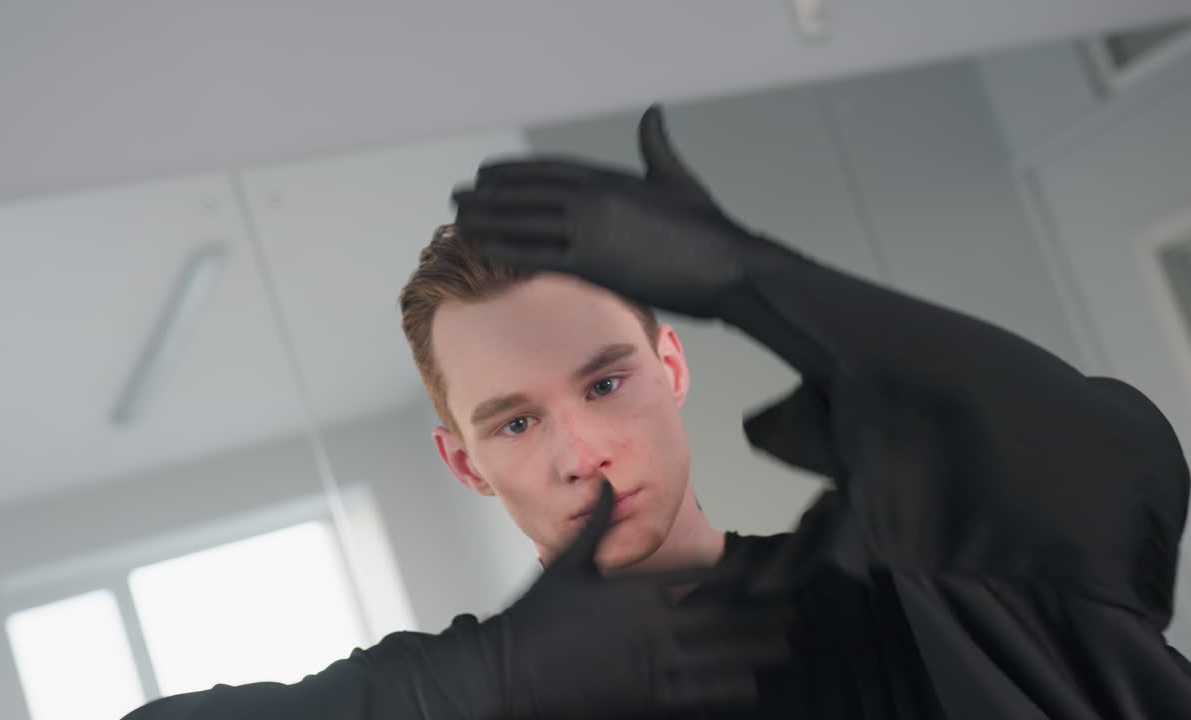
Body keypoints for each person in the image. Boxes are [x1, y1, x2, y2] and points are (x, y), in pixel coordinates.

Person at [124, 104, 1191, 719]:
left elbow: (1112, 468)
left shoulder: (888, 593)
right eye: (514, 422)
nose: (580, 450)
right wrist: (484, 683)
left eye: (602, 383)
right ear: (464, 465)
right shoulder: (451, 698)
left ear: (668, 364)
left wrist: (762, 282)